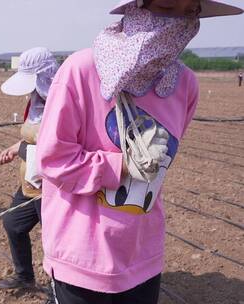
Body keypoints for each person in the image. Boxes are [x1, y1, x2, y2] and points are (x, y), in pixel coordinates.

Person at [36, 1, 243, 303]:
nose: (178, 23)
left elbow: (161, 164)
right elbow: (53, 159)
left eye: (190, 13)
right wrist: (121, 164)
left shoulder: (185, 85)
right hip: (82, 254)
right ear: (137, 9)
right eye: (168, 7)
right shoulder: (82, 71)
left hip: (142, 254)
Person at [0, 47, 59, 290]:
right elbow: (33, 138)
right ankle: (24, 276)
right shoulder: (34, 103)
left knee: (53, 242)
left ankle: (59, 291)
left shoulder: (61, 104)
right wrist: (15, 148)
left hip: (52, 186)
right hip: (31, 181)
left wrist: (22, 150)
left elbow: (55, 145)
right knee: (13, 223)